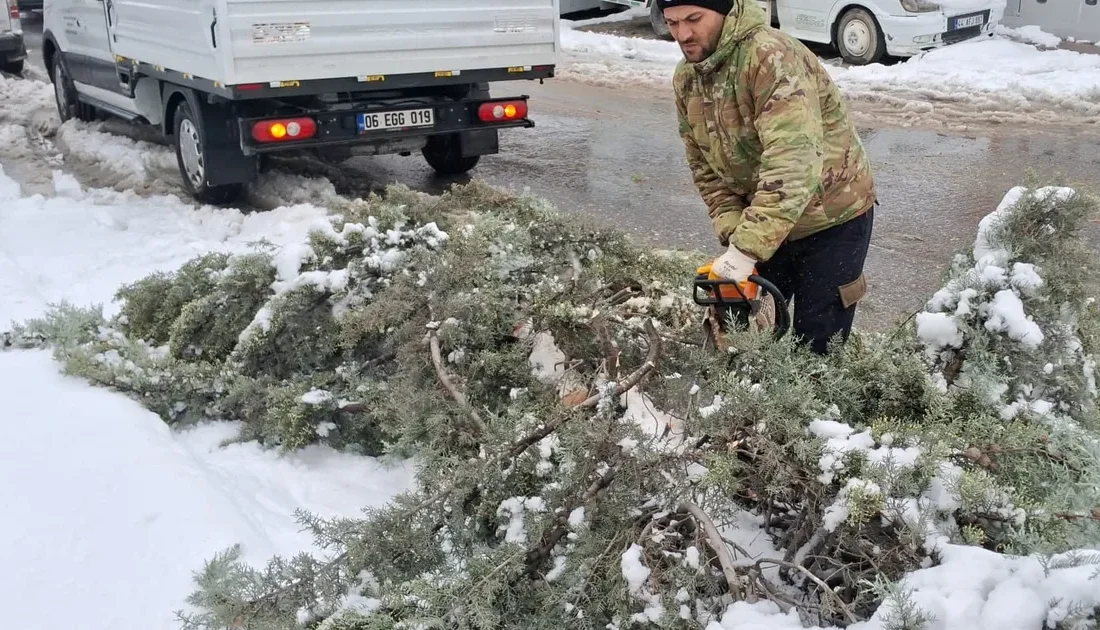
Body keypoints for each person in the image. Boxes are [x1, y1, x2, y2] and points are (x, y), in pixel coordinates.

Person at [659, 0, 877, 354]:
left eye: (694, 19)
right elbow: (704, 166)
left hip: (832, 216)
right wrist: (733, 230)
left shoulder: (770, 57)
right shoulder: (688, 79)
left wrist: (746, 250)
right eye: (672, 23)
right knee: (744, 331)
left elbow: (792, 164)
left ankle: (817, 402)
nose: (683, 34)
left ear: (724, 9)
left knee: (816, 343)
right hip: (762, 222)